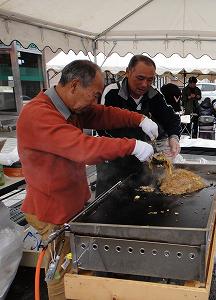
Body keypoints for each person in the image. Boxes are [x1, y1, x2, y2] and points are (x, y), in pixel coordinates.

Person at [16, 60, 158, 300]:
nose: (96, 101)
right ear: (74, 86)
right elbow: (84, 148)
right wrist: (132, 145)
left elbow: (103, 114)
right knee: (62, 272)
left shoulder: (71, 107)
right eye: (94, 95)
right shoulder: (39, 114)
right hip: (51, 210)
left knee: (79, 265)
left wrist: (138, 119)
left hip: (70, 205)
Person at [96, 55, 181, 196]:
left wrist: (173, 138)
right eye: (140, 78)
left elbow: (171, 119)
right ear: (128, 72)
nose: (144, 84)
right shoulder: (111, 92)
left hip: (144, 164)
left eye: (150, 79)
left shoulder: (154, 95)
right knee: (110, 206)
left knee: (143, 201)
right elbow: (102, 128)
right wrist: (133, 145)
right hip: (115, 164)